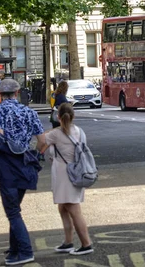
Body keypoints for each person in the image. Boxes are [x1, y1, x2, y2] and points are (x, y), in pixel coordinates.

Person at [0, 79, 45, 266]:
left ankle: (25, 251)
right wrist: (36, 154)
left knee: (12, 211)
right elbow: (43, 140)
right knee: (15, 209)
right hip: (25, 163)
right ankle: (14, 251)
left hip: (7, 166)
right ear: (17, 92)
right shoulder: (29, 112)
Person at [38, 103, 94, 256]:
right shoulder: (80, 131)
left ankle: (86, 243)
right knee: (63, 207)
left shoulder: (56, 134)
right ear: (73, 116)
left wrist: (49, 131)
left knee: (74, 209)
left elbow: (41, 141)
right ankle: (68, 242)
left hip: (64, 174)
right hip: (76, 172)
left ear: (58, 117)